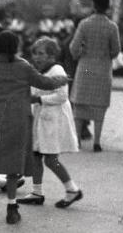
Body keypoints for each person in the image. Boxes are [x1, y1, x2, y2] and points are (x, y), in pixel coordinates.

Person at [0, 31, 69, 233]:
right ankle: (12, 210)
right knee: (12, 167)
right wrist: (62, 79)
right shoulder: (24, 66)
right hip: (18, 122)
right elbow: (45, 82)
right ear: (16, 47)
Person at [16, 37, 82, 208]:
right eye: (34, 54)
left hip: (54, 119)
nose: (36, 57)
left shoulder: (57, 69)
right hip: (42, 118)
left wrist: (38, 99)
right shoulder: (40, 70)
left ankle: (72, 189)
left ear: (52, 55)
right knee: (36, 155)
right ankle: (37, 192)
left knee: (51, 159)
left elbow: (62, 96)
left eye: (41, 54)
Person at [69, 0, 121, 152]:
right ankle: (97, 142)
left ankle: (77, 140)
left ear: (93, 5)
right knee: (99, 107)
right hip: (103, 70)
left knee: (80, 106)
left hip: (85, 68)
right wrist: (107, 56)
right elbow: (116, 50)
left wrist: (79, 55)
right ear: (108, 6)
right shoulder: (112, 27)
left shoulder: (84, 24)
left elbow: (73, 48)